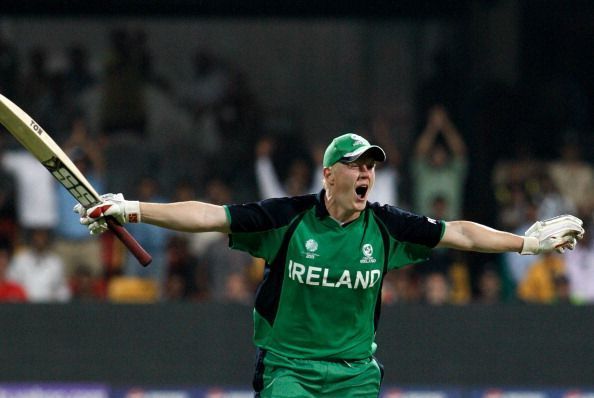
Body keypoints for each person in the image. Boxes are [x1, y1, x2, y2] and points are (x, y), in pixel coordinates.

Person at [75, 133, 584, 397]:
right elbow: (210, 216)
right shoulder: (288, 218)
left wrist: (524, 243)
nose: (367, 174)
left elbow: (459, 232)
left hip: (355, 375)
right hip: (288, 371)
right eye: (356, 166)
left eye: (372, 167)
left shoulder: (385, 226)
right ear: (329, 174)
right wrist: (134, 209)